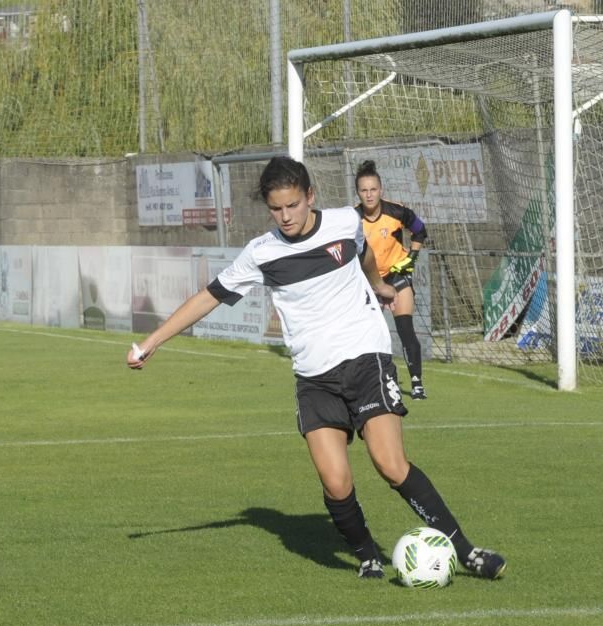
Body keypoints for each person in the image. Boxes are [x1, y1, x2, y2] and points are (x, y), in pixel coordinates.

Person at [127, 156, 505, 580]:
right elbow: (208, 297)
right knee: (336, 482)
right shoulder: (261, 253)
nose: (285, 216)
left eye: (292, 205)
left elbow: (362, 256)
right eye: (276, 209)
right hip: (314, 377)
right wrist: (152, 342)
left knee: (389, 462)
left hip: (366, 357)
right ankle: (367, 556)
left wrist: (378, 284)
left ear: (310, 196)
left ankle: (467, 551)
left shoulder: (345, 222)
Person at [354, 159, 429, 400]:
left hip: (396, 277)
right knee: (365, 334)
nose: (369, 195)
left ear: (381, 190)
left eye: (373, 189)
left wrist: (412, 259)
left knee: (405, 328)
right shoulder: (352, 218)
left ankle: (416, 384)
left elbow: (420, 230)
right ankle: (371, 381)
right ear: (358, 193)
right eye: (364, 190)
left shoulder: (396, 212)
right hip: (368, 281)